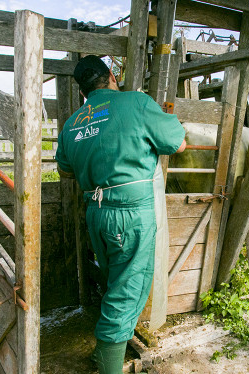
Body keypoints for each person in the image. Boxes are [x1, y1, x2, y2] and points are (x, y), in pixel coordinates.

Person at [55, 55, 186, 373]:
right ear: (111, 75)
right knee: (127, 293)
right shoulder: (136, 103)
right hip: (131, 216)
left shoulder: (73, 123)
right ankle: (108, 363)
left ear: (83, 90)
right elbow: (177, 143)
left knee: (116, 283)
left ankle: (105, 351)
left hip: (96, 215)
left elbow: (64, 170)